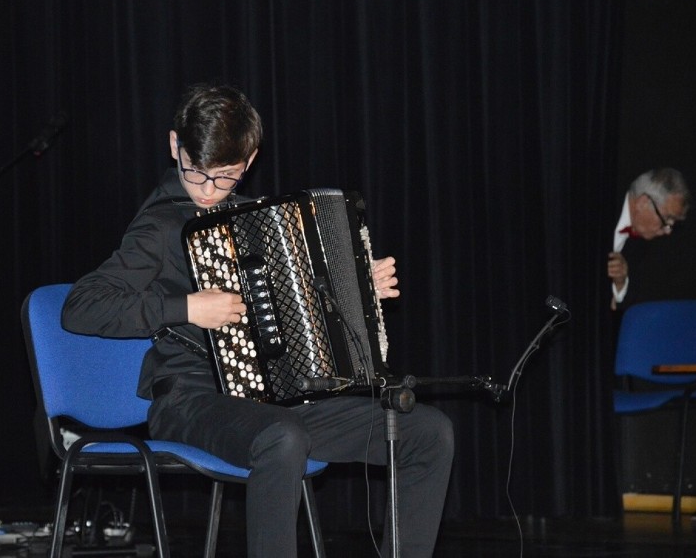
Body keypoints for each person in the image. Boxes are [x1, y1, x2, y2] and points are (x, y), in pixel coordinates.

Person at [61, 83, 454, 557]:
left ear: (249, 161)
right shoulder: (160, 227)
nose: (208, 191)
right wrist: (186, 307)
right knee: (282, 439)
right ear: (174, 147)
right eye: (196, 173)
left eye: (224, 177)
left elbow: (303, 305)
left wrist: (358, 288)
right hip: (190, 401)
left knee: (427, 432)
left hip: (279, 401)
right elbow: (81, 305)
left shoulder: (258, 220)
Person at [607, 168, 690, 311]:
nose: (668, 231)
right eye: (667, 219)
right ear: (642, 202)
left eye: (672, 224)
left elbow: (627, 307)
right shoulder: (600, 206)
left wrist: (620, 283)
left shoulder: (649, 241)